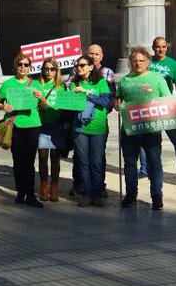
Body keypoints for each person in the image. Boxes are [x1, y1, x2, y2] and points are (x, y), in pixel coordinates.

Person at [114, 47, 173, 210]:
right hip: (129, 130)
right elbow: (118, 101)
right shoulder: (125, 80)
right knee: (130, 164)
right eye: (134, 60)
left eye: (141, 60)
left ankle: (157, 196)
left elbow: (167, 101)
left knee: (154, 163)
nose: (137, 63)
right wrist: (116, 104)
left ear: (148, 62)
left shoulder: (157, 78)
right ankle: (131, 195)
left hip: (151, 129)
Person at [0, 53, 44, 208]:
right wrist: (3, 106)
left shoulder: (36, 84)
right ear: (15, 66)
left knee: (29, 162)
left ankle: (30, 194)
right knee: (17, 161)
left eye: (26, 65)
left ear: (30, 67)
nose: (23, 67)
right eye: (20, 64)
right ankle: (20, 192)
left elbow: (44, 106)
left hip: (32, 125)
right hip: (15, 125)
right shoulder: (8, 84)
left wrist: (41, 97)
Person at [67, 56, 113, 207]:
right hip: (80, 128)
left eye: (82, 65)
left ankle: (98, 192)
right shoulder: (74, 83)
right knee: (82, 162)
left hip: (98, 127)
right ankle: (86, 193)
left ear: (91, 67)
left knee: (97, 162)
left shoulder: (100, 82)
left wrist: (87, 93)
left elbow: (105, 102)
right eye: (77, 66)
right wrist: (70, 95)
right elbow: (69, 107)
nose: (79, 68)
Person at [149, 37, 176, 183]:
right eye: (157, 47)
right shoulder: (147, 62)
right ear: (153, 47)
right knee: (152, 142)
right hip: (150, 106)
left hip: (167, 106)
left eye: (163, 47)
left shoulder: (174, 64)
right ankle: (150, 170)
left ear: (166, 47)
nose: (160, 50)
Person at [84, 43, 117, 197]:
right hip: (80, 122)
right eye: (91, 54)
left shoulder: (107, 73)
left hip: (98, 119)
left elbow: (110, 96)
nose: (93, 57)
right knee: (81, 158)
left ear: (101, 56)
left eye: (97, 54)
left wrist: (104, 108)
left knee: (98, 157)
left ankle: (99, 186)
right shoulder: (78, 69)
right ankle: (80, 186)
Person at [33, 59, 66, 202]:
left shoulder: (61, 86)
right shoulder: (38, 84)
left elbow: (65, 105)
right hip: (42, 124)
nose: (48, 72)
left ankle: (54, 186)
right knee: (42, 156)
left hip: (56, 125)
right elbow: (35, 104)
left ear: (56, 70)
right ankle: (44, 186)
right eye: (46, 69)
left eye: (52, 69)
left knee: (55, 158)